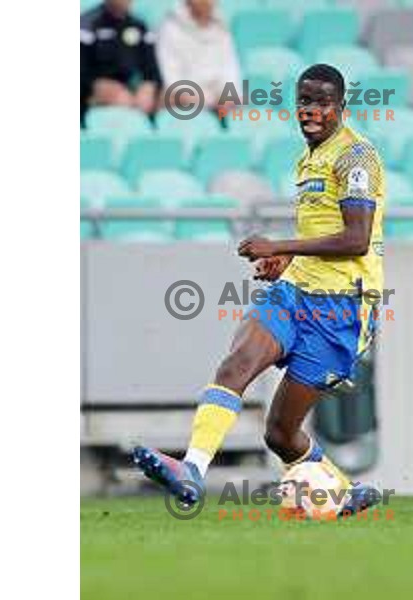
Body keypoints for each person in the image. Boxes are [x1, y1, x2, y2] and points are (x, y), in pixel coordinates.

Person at [133, 64, 386, 515]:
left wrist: (280, 243)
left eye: (322, 102)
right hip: (295, 293)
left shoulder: (356, 159)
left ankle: (339, 494)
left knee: (280, 434)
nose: (311, 111)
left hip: (342, 310)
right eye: (304, 101)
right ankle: (191, 469)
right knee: (237, 363)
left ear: (341, 109)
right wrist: (290, 258)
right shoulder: (307, 158)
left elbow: (356, 238)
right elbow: (323, 228)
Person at [80, 0, 161, 120]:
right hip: (93, 98)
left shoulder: (139, 26)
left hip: (131, 95)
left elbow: (152, 70)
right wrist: (95, 86)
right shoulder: (86, 24)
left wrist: (148, 86)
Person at [156, 0, 241, 110]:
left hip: (219, 103)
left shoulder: (222, 29)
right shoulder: (170, 28)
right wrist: (207, 100)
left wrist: (228, 97)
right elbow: (172, 80)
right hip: (185, 102)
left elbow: (231, 71)